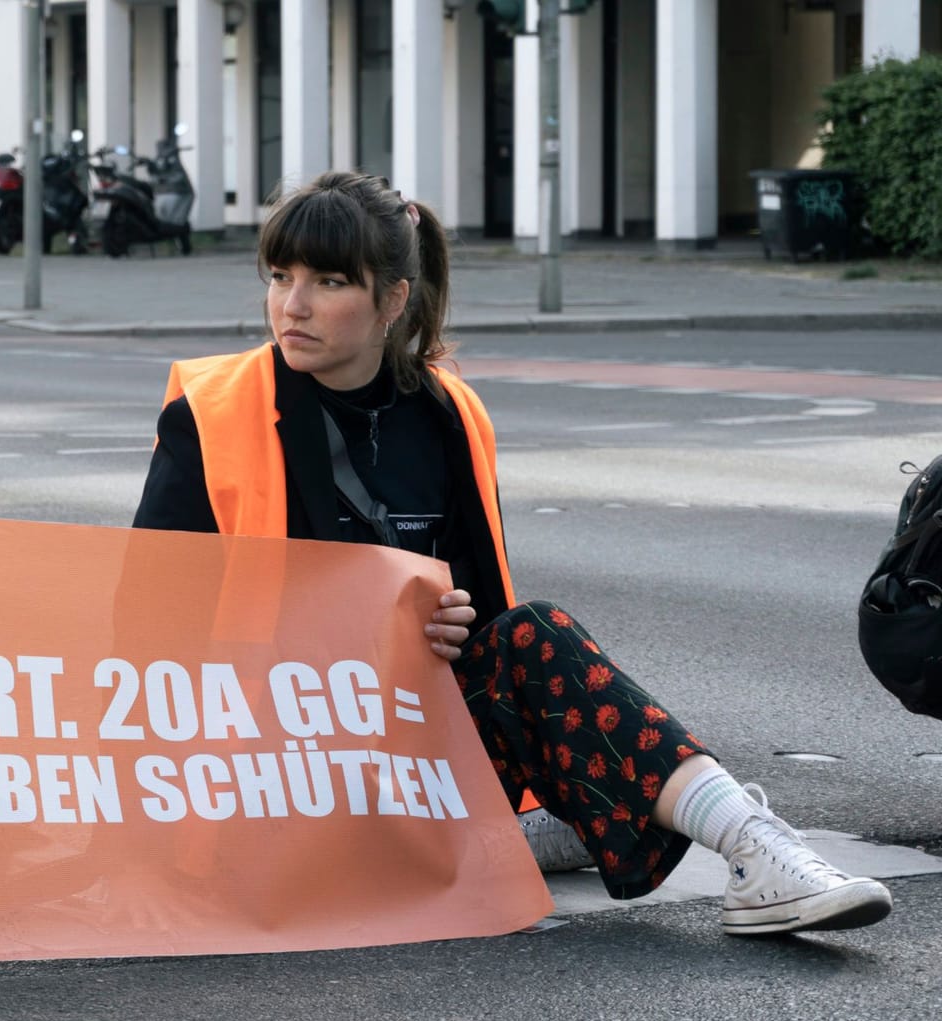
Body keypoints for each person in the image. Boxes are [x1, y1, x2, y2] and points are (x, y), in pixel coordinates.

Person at [132, 170, 893, 935]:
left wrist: (448, 624)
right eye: (280, 276)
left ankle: (761, 851)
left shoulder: (448, 415)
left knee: (534, 632)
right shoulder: (210, 414)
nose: (291, 306)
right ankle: (568, 819)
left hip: (407, 760)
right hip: (267, 768)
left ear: (394, 300)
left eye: (328, 281)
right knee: (545, 685)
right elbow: (141, 629)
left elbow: (487, 629)